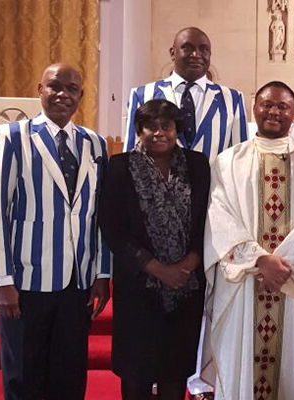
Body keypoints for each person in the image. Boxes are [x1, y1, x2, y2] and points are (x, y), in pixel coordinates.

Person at [196, 81, 294, 399]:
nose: (274, 111)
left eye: (282, 106)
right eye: (267, 104)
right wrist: (260, 260)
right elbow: (220, 218)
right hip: (245, 283)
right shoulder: (228, 161)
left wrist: (279, 267)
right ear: (254, 109)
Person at [0, 63, 111, 400]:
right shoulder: (13, 137)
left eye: (72, 89)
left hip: (77, 281)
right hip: (27, 280)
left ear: (80, 95)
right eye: (55, 86)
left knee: (69, 376)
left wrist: (102, 273)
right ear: (40, 89)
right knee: (24, 375)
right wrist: (2, 281)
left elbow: (101, 213)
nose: (63, 94)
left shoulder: (94, 144)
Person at [99, 99, 210, 400]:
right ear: (139, 130)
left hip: (186, 286)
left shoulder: (197, 165)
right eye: (150, 126)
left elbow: (207, 219)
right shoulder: (121, 166)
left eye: (166, 126)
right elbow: (112, 226)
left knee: (175, 371)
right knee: (136, 373)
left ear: (177, 130)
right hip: (139, 285)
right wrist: (157, 269)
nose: (159, 132)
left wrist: (189, 263)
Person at [123, 27, 247, 163]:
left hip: (212, 176)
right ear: (173, 53)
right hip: (158, 176)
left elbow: (240, 156)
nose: (196, 54)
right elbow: (131, 153)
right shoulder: (142, 95)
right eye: (187, 48)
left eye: (204, 49)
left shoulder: (232, 98)